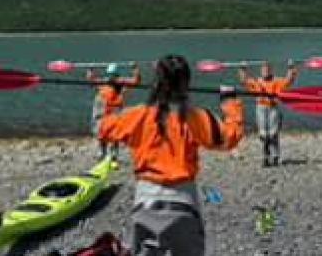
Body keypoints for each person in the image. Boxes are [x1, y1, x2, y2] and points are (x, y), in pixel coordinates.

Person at [98, 55, 243, 256]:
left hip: (145, 202)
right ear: (186, 83)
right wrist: (230, 104)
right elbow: (229, 139)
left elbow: (102, 128)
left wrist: (108, 93)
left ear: (157, 82)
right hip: (184, 203)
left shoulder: (138, 115)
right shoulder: (197, 117)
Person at [238, 60, 298, 167]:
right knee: (263, 135)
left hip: (273, 109)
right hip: (261, 108)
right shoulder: (257, 82)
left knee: (273, 134)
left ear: (271, 70)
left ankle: (275, 156)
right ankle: (265, 157)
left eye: (267, 69)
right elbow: (244, 80)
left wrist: (291, 67)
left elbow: (289, 80)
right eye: (263, 69)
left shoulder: (277, 81)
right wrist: (243, 68)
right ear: (261, 71)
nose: (265, 71)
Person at [87, 63, 142, 161]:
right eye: (110, 75)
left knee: (115, 132)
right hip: (101, 110)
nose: (111, 77)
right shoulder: (103, 82)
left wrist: (135, 68)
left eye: (113, 75)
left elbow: (136, 81)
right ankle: (102, 152)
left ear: (117, 75)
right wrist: (90, 70)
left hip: (115, 110)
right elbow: (91, 81)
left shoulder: (121, 83)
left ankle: (113, 154)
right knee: (101, 131)